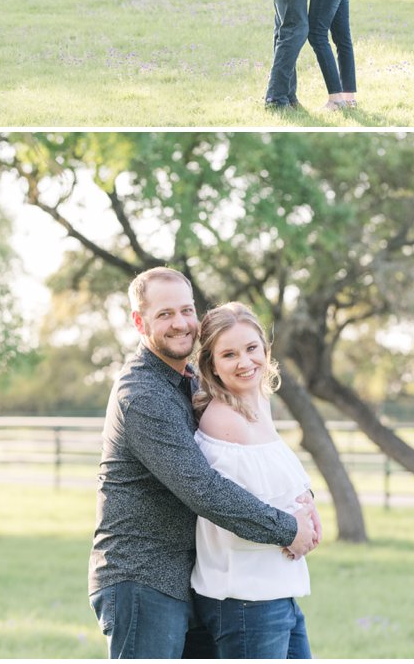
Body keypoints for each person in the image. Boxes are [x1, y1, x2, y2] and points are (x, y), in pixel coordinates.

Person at [88, 267, 319, 659]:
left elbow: (259, 456)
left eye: (186, 310)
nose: (180, 323)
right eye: (164, 314)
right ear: (139, 321)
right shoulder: (141, 394)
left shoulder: (192, 381)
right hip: (143, 577)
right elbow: (203, 488)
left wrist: (305, 500)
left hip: (193, 578)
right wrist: (287, 529)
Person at [191, 302, 317, 659]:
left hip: (277, 591)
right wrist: (293, 530)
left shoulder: (259, 404)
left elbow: (280, 480)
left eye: (251, 348)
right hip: (245, 599)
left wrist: (309, 507)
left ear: (265, 349)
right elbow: (233, 513)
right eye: (229, 354)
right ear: (211, 364)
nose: (245, 362)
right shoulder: (221, 421)